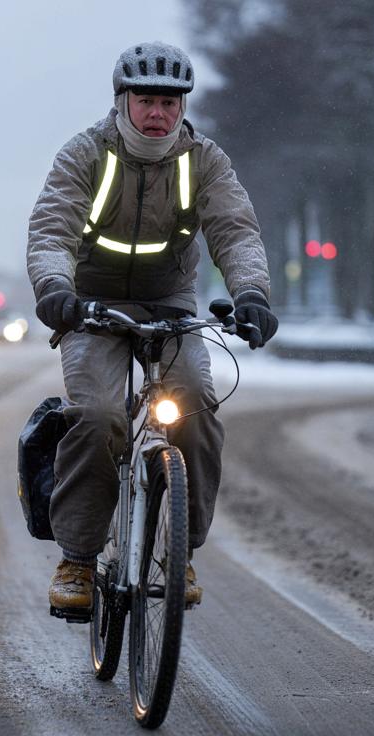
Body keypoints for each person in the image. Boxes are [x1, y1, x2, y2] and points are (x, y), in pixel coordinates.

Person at [26, 41, 278, 615]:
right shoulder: (86, 153)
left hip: (169, 302)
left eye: (169, 101)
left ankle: (180, 549)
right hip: (90, 303)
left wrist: (252, 295)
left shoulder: (204, 160)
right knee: (98, 418)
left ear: (182, 106)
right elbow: (52, 228)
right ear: (123, 100)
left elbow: (235, 231)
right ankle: (79, 560)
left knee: (195, 407)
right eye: (146, 100)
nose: (158, 113)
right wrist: (56, 291)